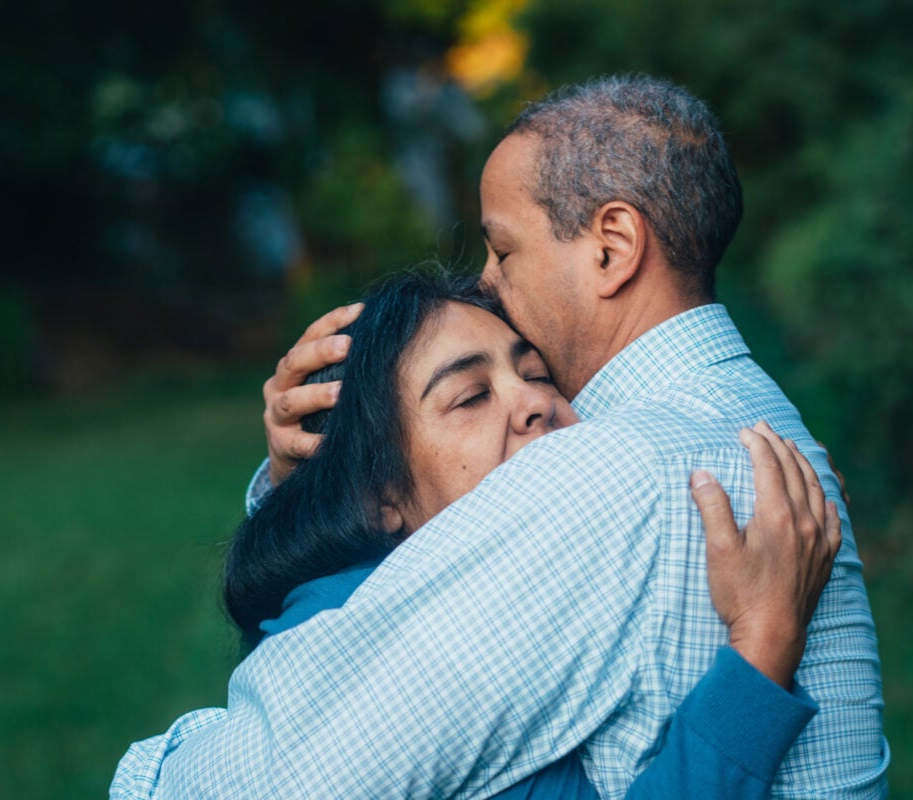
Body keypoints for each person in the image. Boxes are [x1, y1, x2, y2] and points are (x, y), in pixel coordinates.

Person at [124, 75, 888, 797]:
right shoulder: (757, 423)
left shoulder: (610, 471)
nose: (487, 282)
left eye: (504, 248)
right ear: (379, 491)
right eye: (469, 394)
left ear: (612, 246)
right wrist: (309, 485)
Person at [113, 270, 837, 799]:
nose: (535, 404)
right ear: (380, 495)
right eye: (470, 395)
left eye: (537, 373)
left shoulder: (353, 599)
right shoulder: (431, 673)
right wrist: (763, 647)